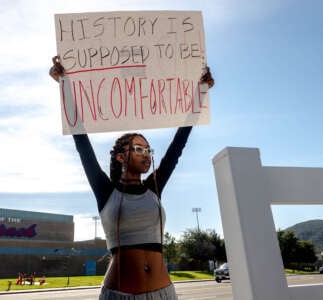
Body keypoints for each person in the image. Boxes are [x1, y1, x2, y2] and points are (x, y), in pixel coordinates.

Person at [50, 56, 214, 299]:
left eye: (148, 150)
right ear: (120, 158)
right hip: (120, 294)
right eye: (138, 149)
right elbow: (81, 141)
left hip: (164, 293)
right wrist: (64, 85)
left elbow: (178, 144)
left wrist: (200, 92)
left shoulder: (154, 188)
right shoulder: (106, 192)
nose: (146, 154)